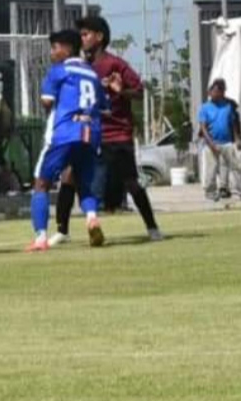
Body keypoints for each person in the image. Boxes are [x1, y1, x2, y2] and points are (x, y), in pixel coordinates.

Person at [52, 15, 163, 243]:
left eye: (86, 34)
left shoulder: (115, 64)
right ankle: (62, 231)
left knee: (130, 181)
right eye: (81, 35)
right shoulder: (81, 67)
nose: (82, 39)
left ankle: (152, 228)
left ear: (99, 37)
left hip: (116, 134)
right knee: (69, 175)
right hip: (88, 132)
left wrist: (120, 91)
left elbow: (139, 91)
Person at [27, 29, 109, 251]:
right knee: (84, 183)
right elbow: (105, 108)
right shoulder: (93, 74)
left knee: (41, 183)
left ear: (68, 49)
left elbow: (46, 101)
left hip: (64, 133)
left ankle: (41, 237)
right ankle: (92, 218)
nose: (52, 53)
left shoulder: (59, 70)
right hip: (91, 134)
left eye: (55, 48)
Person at [198, 78, 241, 202]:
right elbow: (203, 128)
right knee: (211, 169)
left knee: (236, 167)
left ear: (222, 92)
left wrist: (237, 139)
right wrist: (211, 144)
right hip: (211, 143)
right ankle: (210, 192)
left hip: (227, 143)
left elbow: (234, 124)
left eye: (217, 92)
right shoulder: (205, 108)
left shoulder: (228, 106)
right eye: (212, 91)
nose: (213, 94)